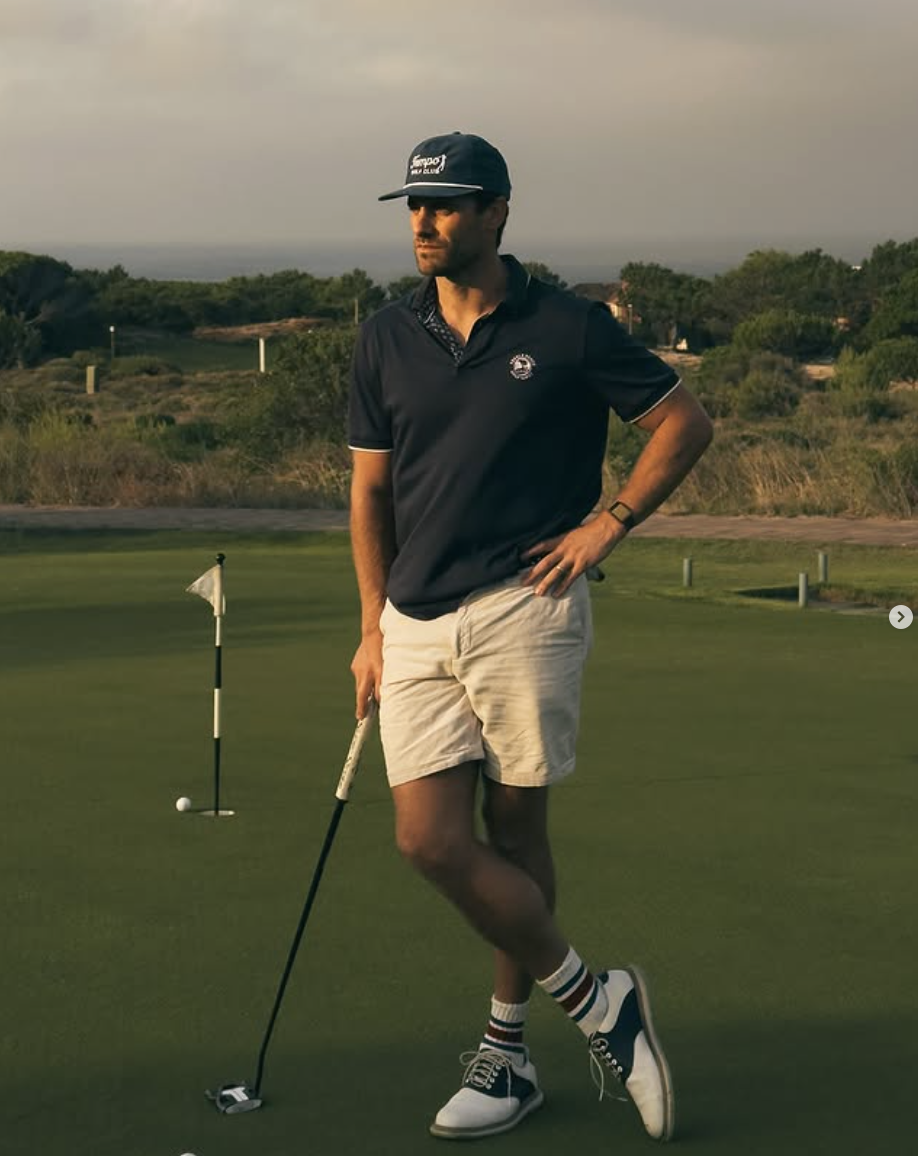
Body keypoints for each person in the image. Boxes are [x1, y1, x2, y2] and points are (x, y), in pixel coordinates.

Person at [348, 131, 713, 1143]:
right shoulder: (384, 335)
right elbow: (369, 492)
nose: (426, 222)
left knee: (516, 833)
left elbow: (684, 423)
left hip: (527, 603)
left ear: (500, 210)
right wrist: (371, 626)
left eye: (450, 204)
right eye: (415, 205)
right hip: (414, 618)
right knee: (428, 838)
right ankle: (601, 1003)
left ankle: (506, 1059)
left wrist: (611, 521)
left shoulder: (568, 326)